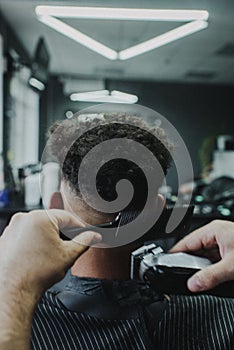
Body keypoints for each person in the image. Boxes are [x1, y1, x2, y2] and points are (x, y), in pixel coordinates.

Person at [1, 112, 234, 349]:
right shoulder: (223, 318)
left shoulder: (17, 319)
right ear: (158, 211)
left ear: (54, 206)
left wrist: (12, 286)